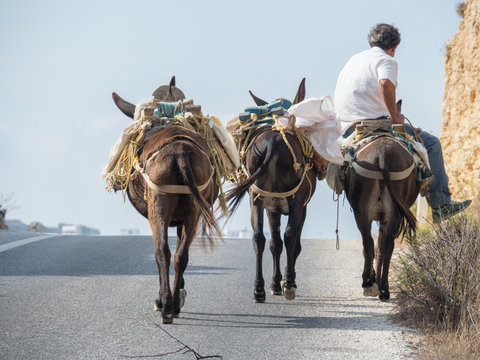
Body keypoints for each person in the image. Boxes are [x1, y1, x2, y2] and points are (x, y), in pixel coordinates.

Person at [334, 23, 471, 223]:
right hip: (375, 124)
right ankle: (441, 205)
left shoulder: (353, 61)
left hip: (346, 130)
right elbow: (385, 83)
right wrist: (394, 115)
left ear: (372, 42)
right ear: (394, 47)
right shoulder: (386, 60)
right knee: (432, 143)